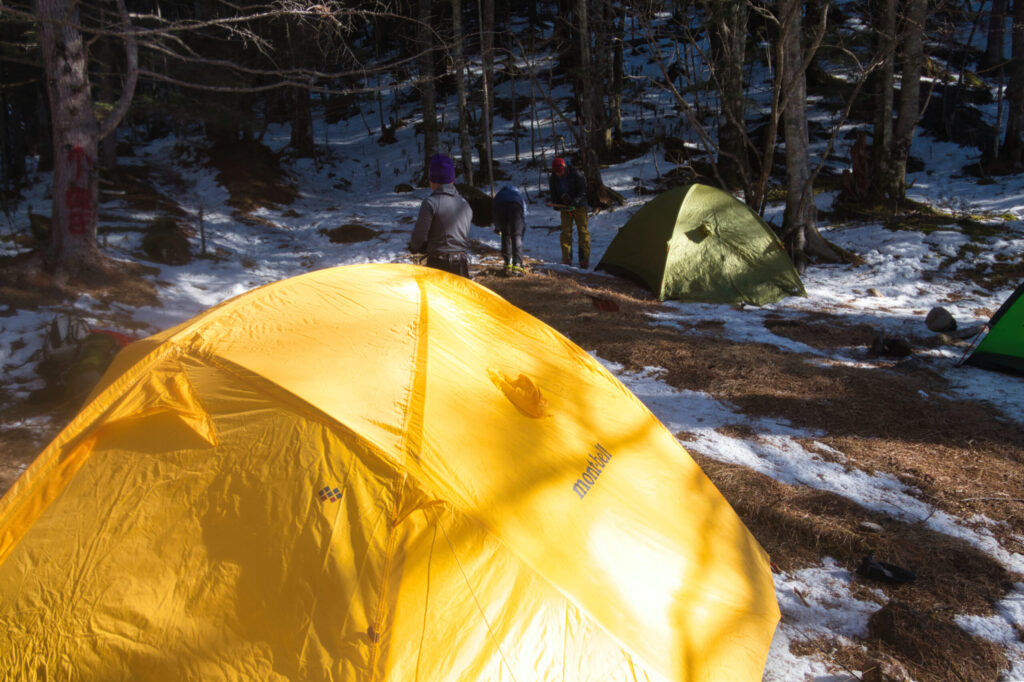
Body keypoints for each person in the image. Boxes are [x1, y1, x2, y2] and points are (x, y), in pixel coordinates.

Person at [409, 153, 473, 278]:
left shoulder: (430, 203)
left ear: (432, 180)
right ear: (452, 179)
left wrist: (415, 247)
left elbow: (419, 236)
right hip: (462, 265)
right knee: (458, 298)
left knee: (437, 298)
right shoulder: (465, 204)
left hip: (439, 265)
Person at [547, 157, 590, 269]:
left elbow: (583, 191)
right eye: (557, 173)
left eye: (561, 172)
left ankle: (584, 259)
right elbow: (553, 192)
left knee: (583, 232)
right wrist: (557, 204)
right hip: (565, 207)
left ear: (565, 167)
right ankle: (567, 259)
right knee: (566, 232)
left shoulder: (576, 174)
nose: (559, 175)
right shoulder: (554, 178)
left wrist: (574, 203)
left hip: (579, 206)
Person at [492, 184, 528, 276]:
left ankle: (508, 263)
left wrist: (498, 227)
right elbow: (523, 212)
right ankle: (517, 265)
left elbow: (494, 212)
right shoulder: (517, 195)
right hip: (515, 206)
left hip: (499, 207)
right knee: (516, 235)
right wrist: (521, 228)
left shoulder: (498, 196)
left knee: (505, 234)